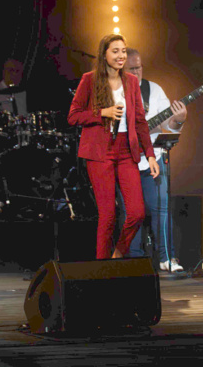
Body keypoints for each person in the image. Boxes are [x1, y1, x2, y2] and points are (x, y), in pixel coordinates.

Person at [68, 34, 159, 259]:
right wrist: (102, 113)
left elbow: (139, 121)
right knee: (107, 215)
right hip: (100, 152)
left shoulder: (131, 82)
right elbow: (73, 116)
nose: (121, 56)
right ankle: (101, 267)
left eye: (123, 51)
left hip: (127, 151)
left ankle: (118, 254)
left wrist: (150, 154)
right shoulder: (89, 80)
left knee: (137, 212)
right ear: (104, 54)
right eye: (115, 51)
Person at [122, 47, 187, 271]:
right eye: (132, 68)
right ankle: (135, 262)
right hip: (124, 162)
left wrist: (178, 120)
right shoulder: (113, 91)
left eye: (139, 67)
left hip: (153, 160)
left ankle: (167, 258)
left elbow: (168, 126)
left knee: (161, 208)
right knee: (131, 213)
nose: (138, 71)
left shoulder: (153, 90)